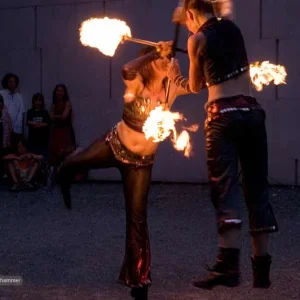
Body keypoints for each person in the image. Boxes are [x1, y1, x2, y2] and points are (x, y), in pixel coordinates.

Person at [57, 42, 191, 300]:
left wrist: (201, 53)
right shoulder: (138, 82)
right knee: (76, 162)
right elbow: (126, 69)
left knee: (137, 219)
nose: (169, 62)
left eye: (170, 60)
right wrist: (155, 52)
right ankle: (64, 172)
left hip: (141, 164)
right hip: (114, 144)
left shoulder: (172, 86)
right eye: (163, 60)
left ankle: (139, 280)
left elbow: (198, 84)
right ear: (151, 63)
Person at [169, 0, 278, 290]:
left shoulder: (197, 39)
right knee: (257, 189)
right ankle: (262, 272)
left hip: (223, 118)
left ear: (191, 14)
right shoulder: (233, 28)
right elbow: (222, 64)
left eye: (187, 22)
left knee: (225, 189)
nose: (188, 27)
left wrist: (173, 75)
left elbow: (194, 86)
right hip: (253, 114)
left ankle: (228, 266)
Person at [48, 84, 76, 186]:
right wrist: (57, 116)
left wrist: (55, 116)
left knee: (65, 154)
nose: (59, 93)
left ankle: (66, 177)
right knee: (55, 154)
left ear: (64, 93)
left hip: (65, 131)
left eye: (61, 91)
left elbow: (64, 117)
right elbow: (50, 117)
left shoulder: (67, 103)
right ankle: (56, 178)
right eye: (58, 91)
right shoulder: (54, 104)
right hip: (55, 131)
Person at [0, 73, 25, 144]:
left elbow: (21, 113)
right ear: (6, 82)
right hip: (4, 129)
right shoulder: (1, 94)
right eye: (10, 81)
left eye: (14, 82)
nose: (12, 83)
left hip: (17, 130)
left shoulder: (20, 96)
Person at [26, 93, 50, 160]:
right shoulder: (30, 111)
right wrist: (40, 124)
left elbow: (46, 123)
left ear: (42, 102)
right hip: (32, 141)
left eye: (40, 100)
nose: (38, 102)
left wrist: (35, 124)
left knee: (43, 160)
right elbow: (28, 122)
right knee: (32, 160)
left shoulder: (45, 112)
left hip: (43, 142)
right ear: (33, 101)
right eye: (36, 100)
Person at [0, 94, 12, 177]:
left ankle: (3, 174)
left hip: (3, 139)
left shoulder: (5, 111)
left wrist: (8, 140)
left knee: (3, 158)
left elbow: (10, 126)